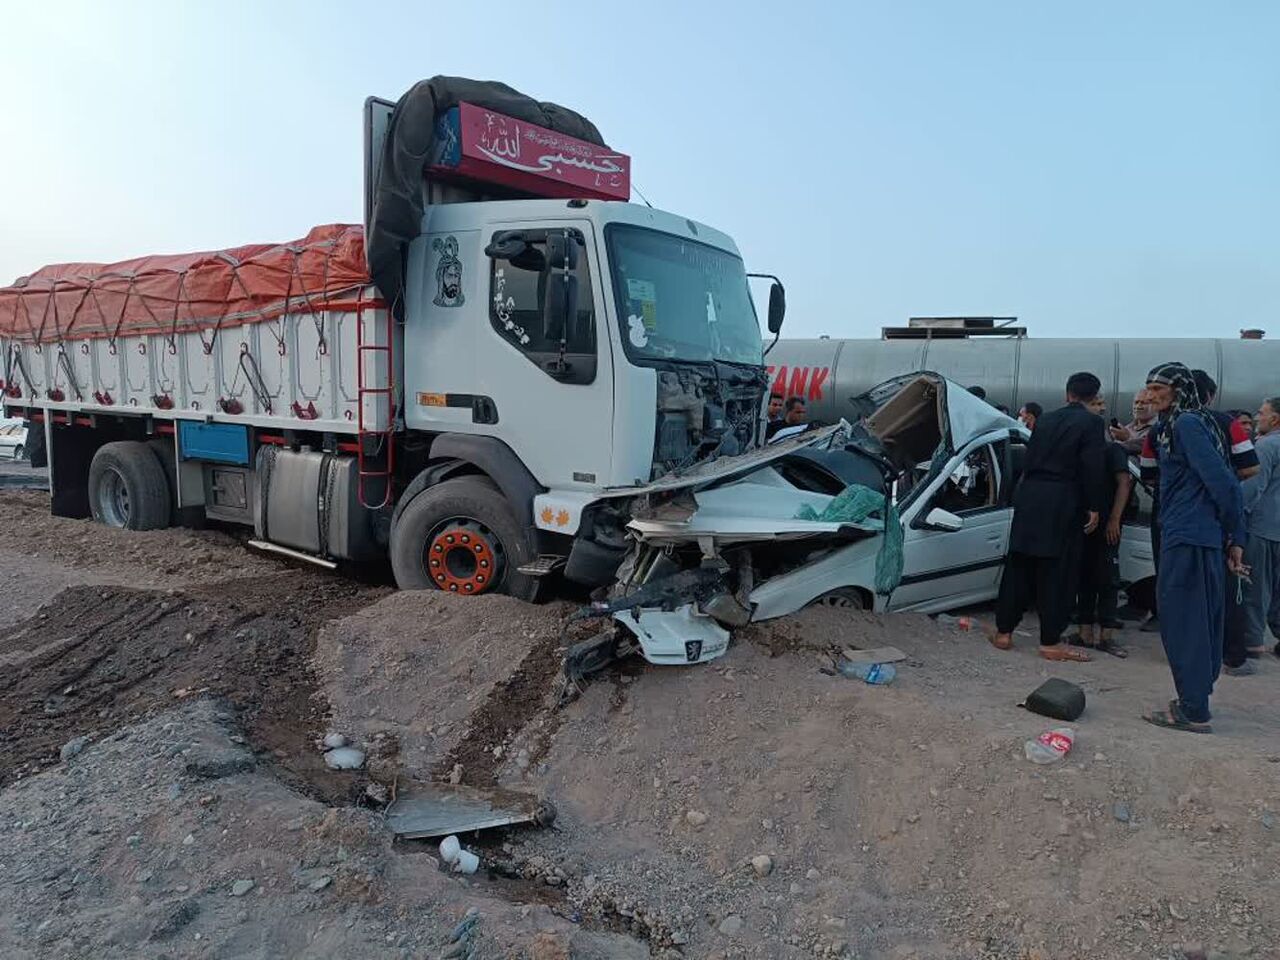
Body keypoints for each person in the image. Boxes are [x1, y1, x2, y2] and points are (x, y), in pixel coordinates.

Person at [1140, 363, 1247, 734]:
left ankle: (1194, 709)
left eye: (1159, 388)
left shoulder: (1186, 424)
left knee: (1185, 623)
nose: (1150, 395)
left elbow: (1226, 483)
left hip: (1190, 536)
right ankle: (1194, 698)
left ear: (1180, 390)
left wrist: (1237, 536)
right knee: (1195, 621)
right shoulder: (1172, 426)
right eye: (1148, 387)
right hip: (1189, 532)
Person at [991, 372, 1107, 661]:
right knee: (1058, 569)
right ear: (1093, 397)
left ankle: (1004, 632)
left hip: (1030, 497)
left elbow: (1029, 459)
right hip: (1063, 499)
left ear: (1068, 393)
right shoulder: (1092, 423)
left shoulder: (1045, 420)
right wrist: (1094, 505)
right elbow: (1092, 466)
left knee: (1018, 563)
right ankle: (1050, 641)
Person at [1072, 394, 1133, 655]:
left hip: (1107, 524)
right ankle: (1084, 633)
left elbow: (1125, 483)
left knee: (1108, 579)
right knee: (1084, 576)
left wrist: (1114, 520)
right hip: (1086, 524)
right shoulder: (1085, 451)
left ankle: (1106, 635)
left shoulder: (1113, 450)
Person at [1224, 397, 1280, 670]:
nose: (1258, 418)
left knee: (1254, 586)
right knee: (1275, 588)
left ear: (1276, 419)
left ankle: (1251, 645)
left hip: (1261, 526)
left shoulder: (1267, 445)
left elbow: (1252, 487)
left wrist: (1234, 519)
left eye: (1262, 413)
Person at [1113, 390, 1155, 456]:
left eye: (1143, 403)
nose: (1138, 406)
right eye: (1136, 402)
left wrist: (1127, 438)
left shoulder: (1157, 429)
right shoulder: (1128, 427)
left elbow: (1146, 449)